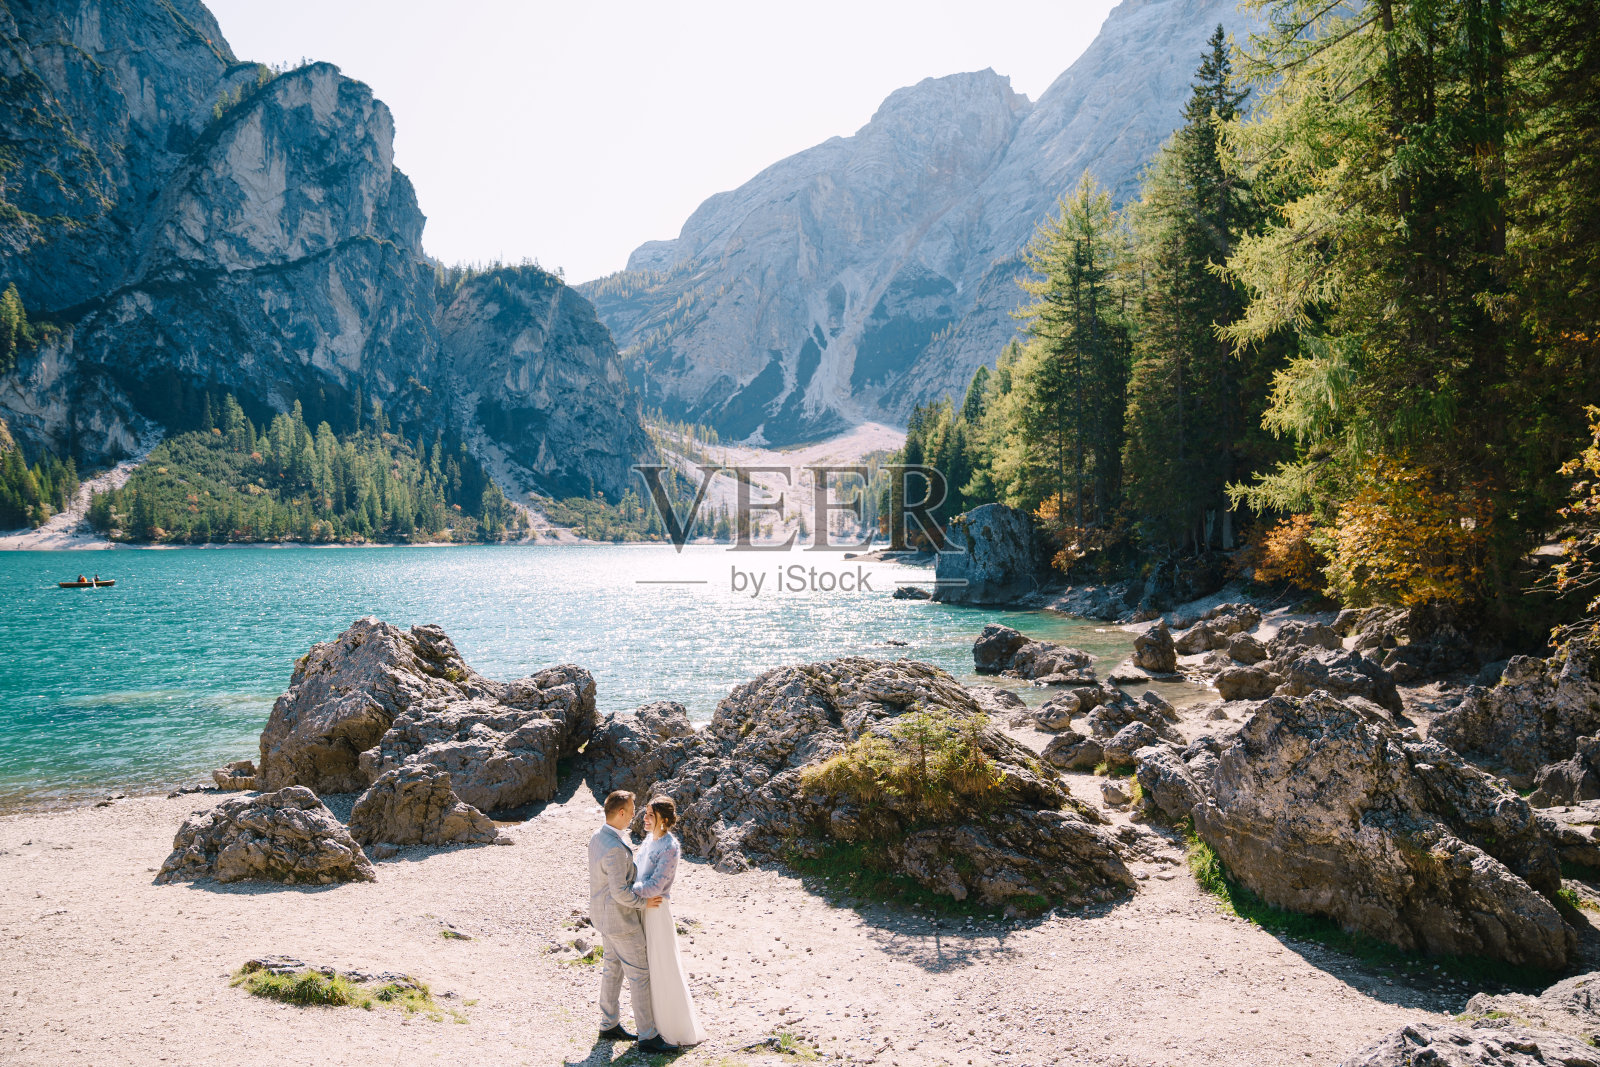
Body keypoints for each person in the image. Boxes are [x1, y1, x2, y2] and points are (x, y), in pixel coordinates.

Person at [587, 790, 676, 1053]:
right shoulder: (615, 847)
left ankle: (608, 1024)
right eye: (633, 807)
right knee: (640, 975)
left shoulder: (598, 836)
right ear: (622, 813)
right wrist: (644, 903)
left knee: (612, 969)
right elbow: (620, 892)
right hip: (620, 920)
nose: (637, 813)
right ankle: (648, 1036)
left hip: (602, 917)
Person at [632, 795, 706, 1047]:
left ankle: (672, 1029)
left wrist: (627, 891)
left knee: (662, 966)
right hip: (642, 908)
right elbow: (636, 872)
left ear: (663, 819)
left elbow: (656, 885)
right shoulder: (648, 841)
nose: (644, 818)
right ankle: (650, 1025)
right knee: (646, 969)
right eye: (645, 814)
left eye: (650, 815)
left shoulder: (670, 847)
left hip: (655, 911)